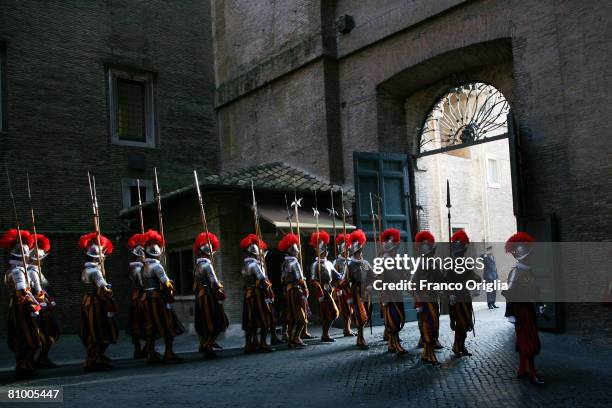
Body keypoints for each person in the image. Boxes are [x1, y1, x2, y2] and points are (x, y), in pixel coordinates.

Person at [503, 232, 545, 385]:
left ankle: (522, 369)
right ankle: (531, 372)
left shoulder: (528, 271)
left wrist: (540, 305)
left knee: (525, 340)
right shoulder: (515, 272)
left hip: (528, 308)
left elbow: (535, 290)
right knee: (528, 341)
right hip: (520, 311)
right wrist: (510, 313)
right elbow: (510, 294)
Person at [2, 229, 42, 379]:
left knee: (29, 339)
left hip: (22, 306)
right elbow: (22, 291)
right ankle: (23, 367)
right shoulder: (18, 271)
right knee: (27, 339)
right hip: (22, 307)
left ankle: (26, 366)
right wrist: (35, 305)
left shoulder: (18, 269)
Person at [140, 229, 184, 364]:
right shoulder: (157, 266)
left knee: (150, 326)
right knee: (167, 323)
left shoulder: (142, 267)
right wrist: (171, 288)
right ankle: (168, 352)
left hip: (145, 297)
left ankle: (151, 354)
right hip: (157, 299)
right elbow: (166, 284)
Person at [78, 232, 118, 371]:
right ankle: (94, 359)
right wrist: (111, 301)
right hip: (96, 304)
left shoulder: (85, 269)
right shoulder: (95, 271)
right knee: (100, 332)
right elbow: (104, 289)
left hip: (87, 302)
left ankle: (93, 358)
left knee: (91, 333)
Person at [193, 231, 228, 359]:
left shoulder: (197, 264)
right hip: (209, 296)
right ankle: (208, 345)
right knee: (218, 321)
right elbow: (214, 282)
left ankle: (205, 343)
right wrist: (220, 288)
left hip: (200, 296)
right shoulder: (207, 264)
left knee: (206, 322)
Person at [28, 233, 60, 369]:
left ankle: (43, 358)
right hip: (37, 307)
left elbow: (45, 289)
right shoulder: (30, 272)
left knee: (52, 333)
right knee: (39, 336)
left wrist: (49, 299)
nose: (42, 260)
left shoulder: (38, 271)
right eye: (40, 258)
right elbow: (34, 291)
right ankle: (30, 361)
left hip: (45, 306)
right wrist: (42, 302)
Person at [411, 230, 443, 364]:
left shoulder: (434, 262)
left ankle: (427, 352)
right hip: (424, 300)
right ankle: (428, 353)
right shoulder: (420, 264)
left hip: (433, 298)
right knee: (428, 326)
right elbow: (413, 285)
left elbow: (440, 279)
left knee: (434, 325)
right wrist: (419, 301)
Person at [241, 233, 275, 353]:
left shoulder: (245, 264)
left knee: (250, 321)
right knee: (265, 319)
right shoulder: (255, 264)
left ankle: (249, 344)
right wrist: (269, 289)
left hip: (248, 295)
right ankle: (263, 343)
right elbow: (262, 280)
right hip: (258, 295)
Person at [447, 230, 479, 357]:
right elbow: (446, 281)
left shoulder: (466, 264)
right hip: (456, 299)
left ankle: (462, 346)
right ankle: (456, 347)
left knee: (465, 324)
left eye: (461, 252)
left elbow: (474, 277)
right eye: (458, 252)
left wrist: (475, 281)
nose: (459, 254)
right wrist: (450, 294)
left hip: (465, 297)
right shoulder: (450, 264)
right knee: (459, 325)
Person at [379, 228, 407, 356]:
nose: (396, 250)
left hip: (398, 293)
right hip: (389, 294)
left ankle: (392, 343)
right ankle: (396, 345)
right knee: (393, 320)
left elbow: (404, 275)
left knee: (399, 318)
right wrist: (383, 293)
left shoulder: (399, 260)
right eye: (394, 248)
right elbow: (378, 279)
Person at [279, 233, 309, 348]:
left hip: (287, 292)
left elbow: (282, 279)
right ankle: (296, 338)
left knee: (291, 318)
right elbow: (300, 279)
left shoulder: (284, 263)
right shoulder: (294, 262)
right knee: (302, 318)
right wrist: (305, 288)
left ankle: (291, 339)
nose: (297, 251)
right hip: (295, 292)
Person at [343, 229, 372, 350]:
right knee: (361, 317)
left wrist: (371, 284)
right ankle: (360, 339)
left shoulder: (365, 263)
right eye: (357, 251)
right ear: (354, 251)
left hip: (366, 292)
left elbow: (372, 275)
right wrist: (349, 296)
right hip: (355, 293)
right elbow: (345, 282)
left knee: (366, 315)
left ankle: (361, 338)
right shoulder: (349, 265)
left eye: (360, 250)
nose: (359, 253)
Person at [309, 230, 339, 342]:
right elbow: (312, 280)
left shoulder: (329, 263)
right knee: (328, 313)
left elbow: (337, 275)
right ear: (322, 252)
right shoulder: (315, 265)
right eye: (326, 250)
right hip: (321, 291)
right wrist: (319, 290)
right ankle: (325, 334)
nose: (327, 252)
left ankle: (325, 334)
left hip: (329, 289)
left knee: (331, 313)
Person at [127, 233, 147, 359]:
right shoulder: (138, 267)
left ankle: (141, 349)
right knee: (141, 322)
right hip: (140, 297)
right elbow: (141, 283)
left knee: (137, 324)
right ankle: (140, 349)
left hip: (136, 296)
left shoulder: (135, 266)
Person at [332, 233, 354, 336]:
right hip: (342, 288)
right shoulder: (336, 262)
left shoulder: (350, 261)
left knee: (351, 309)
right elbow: (333, 276)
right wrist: (337, 287)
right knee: (345, 310)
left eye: (349, 250)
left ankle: (347, 328)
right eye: (347, 250)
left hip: (350, 288)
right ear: (342, 250)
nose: (348, 252)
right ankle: (346, 329)